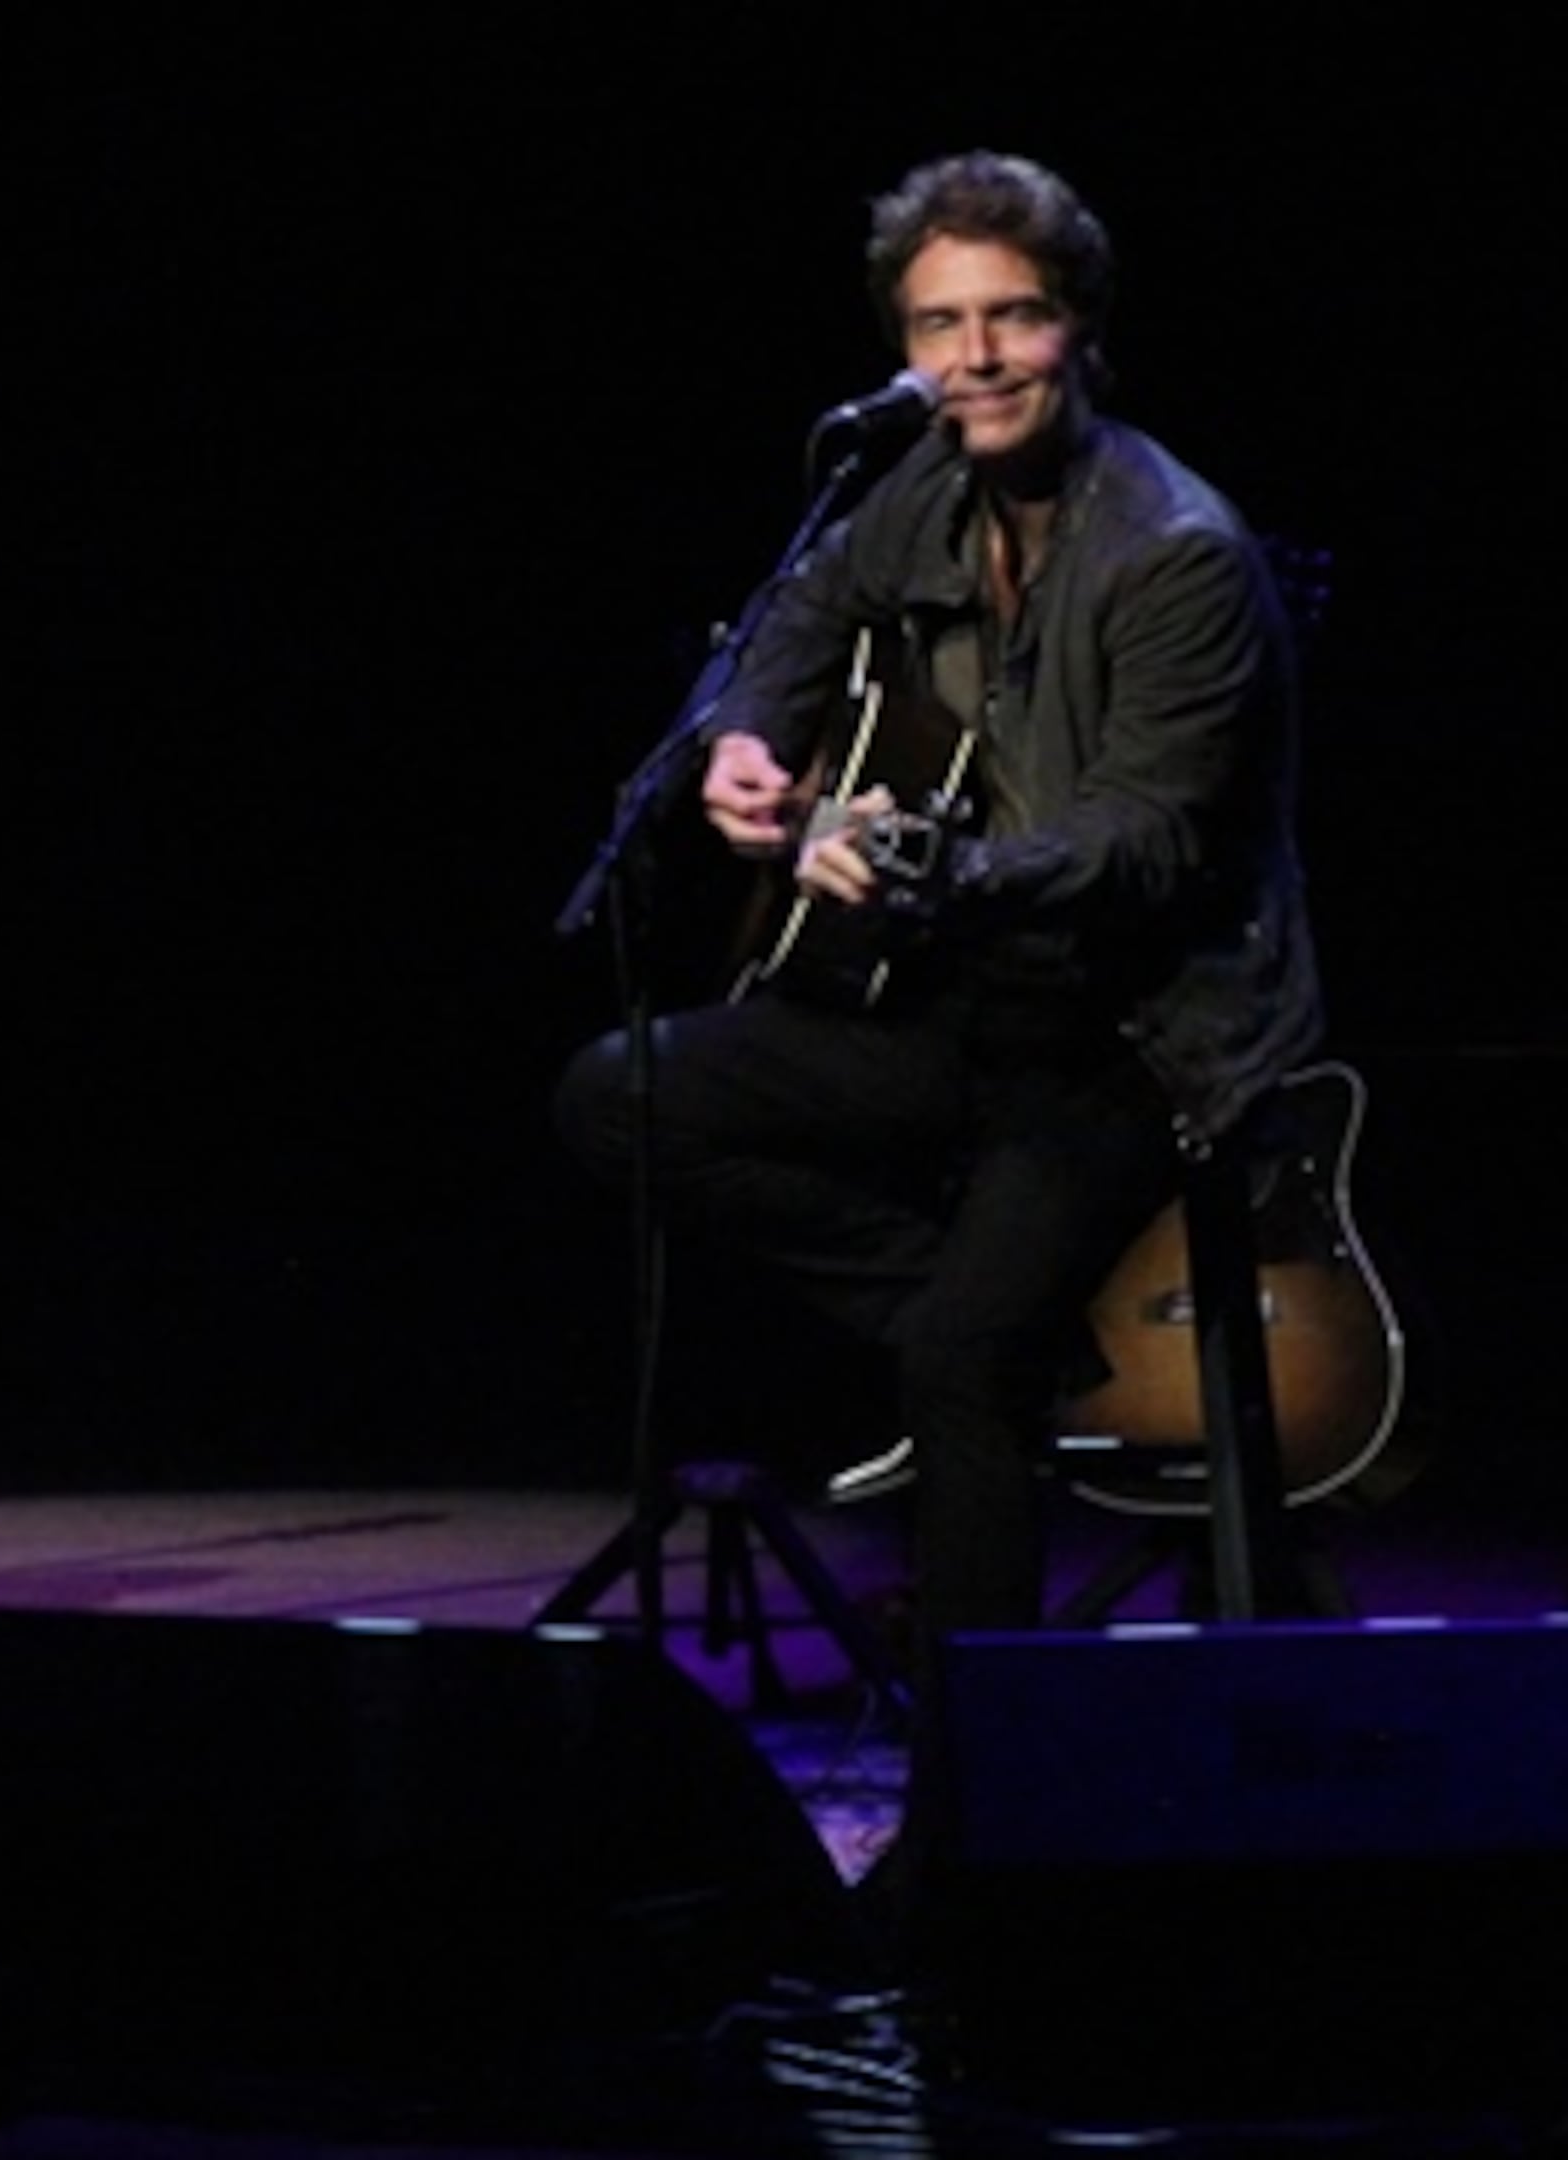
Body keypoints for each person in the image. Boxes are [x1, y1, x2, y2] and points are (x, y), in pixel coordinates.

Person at [550, 148, 1320, 1910]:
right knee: (631, 1096)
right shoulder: (904, 484)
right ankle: (983, 1332)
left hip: (1145, 1034)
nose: (973, 358)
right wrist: (751, 751)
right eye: (937, 324)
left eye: (1012, 319)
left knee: (955, 1365)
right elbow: (792, 631)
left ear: (1082, 331)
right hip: (956, 998)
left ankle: (973, 1828)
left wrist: (924, 866)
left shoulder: (1178, 551)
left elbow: (1146, 838)